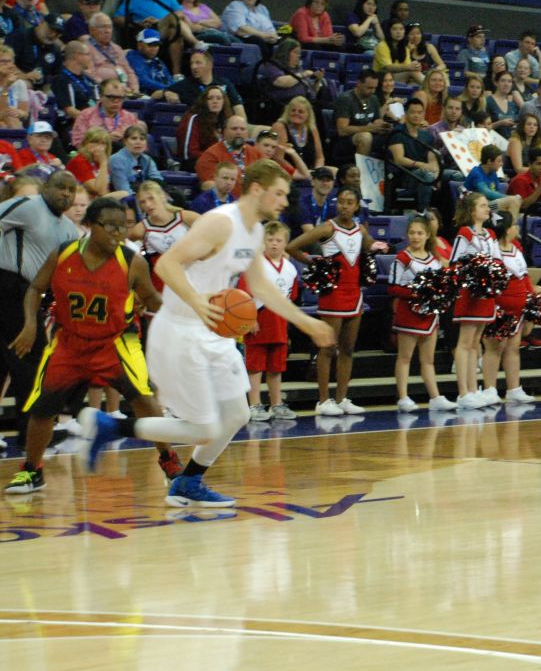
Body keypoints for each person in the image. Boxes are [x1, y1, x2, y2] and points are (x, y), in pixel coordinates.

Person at [92, 161, 334, 506]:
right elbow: (166, 264)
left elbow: (262, 288)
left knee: (238, 414)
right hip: (181, 328)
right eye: (278, 193)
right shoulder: (221, 222)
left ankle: (189, 482)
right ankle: (109, 427)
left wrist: (306, 322)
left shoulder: (253, 232)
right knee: (203, 427)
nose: (284, 201)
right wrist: (196, 300)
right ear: (255, 189)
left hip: (213, 332)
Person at [5, 195, 176, 495]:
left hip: (116, 342)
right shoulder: (63, 253)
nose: (117, 234)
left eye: (122, 227)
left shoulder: (132, 262)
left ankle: (169, 460)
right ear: (88, 226)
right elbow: (35, 288)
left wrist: (181, 314)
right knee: (43, 408)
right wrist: (30, 325)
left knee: (145, 400)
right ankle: (32, 471)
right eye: (109, 227)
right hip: (68, 342)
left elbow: (151, 299)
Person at [0, 172, 82, 461]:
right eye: (61, 187)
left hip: (32, 294)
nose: (66, 194)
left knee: (6, 363)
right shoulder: (28, 205)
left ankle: (31, 429)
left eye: (72, 190)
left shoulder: (70, 230)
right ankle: (29, 433)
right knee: (30, 360)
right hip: (9, 285)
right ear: (47, 187)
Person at [288, 185, 378, 416]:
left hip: (354, 295)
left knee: (347, 349)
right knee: (327, 348)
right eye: (341, 202)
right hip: (333, 295)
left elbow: (370, 249)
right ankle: (323, 400)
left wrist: (380, 247)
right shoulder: (327, 228)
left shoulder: (360, 230)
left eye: (349, 202)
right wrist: (316, 264)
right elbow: (292, 247)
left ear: (357, 206)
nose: (344, 206)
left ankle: (341, 399)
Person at [388, 214, 453, 411]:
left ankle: (435, 397)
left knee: (428, 359)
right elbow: (393, 288)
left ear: (427, 235)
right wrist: (418, 292)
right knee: (405, 357)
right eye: (412, 233)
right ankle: (403, 397)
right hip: (409, 313)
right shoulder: (402, 259)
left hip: (430, 314)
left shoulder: (435, 260)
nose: (415, 237)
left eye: (419, 233)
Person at [243, 221, 300, 422]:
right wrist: (249, 318)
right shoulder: (255, 265)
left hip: (279, 323)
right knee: (255, 367)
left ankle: (276, 404)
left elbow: (291, 296)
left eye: (279, 240)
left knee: (276, 367)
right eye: (270, 239)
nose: (274, 244)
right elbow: (244, 294)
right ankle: (255, 404)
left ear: (286, 243)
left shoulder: (291, 269)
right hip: (259, 320)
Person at [482, 213, 539, 406]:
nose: (517, 227)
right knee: (494, 348)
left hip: (519, 309)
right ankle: (489, 389)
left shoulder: (516, 249)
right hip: (499, 308)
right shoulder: (493, 251)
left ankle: (514, 388)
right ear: (507, 229)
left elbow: (524, 277)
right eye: (514, 224)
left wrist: (531, 299)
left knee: (513, 348)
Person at [448, 191, 499, 408]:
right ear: (471, 211)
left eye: (487, 206)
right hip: (470, 293)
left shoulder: (490, 234)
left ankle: (473, 388)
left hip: (485, 294)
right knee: (465, 343)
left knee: (475, 343)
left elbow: (497, 262)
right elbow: (454, 264)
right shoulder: (464, 234)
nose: (488, 209)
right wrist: (473, 274)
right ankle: (463, 392)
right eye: (483, 206)